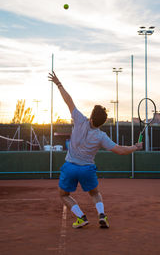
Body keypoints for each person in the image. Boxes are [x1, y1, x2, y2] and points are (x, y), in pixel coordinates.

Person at [48, 71, 143, 229]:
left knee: (63, 195)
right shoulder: (101, 136)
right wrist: (135, 147)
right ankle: (101, 215)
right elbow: (120, 150)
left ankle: (81, 217)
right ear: (101, 123)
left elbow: (68, 100)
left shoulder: (79, 119)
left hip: (70, 167)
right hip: (87, 169)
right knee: (94, 193)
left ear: (91, 117)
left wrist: (58, 84)